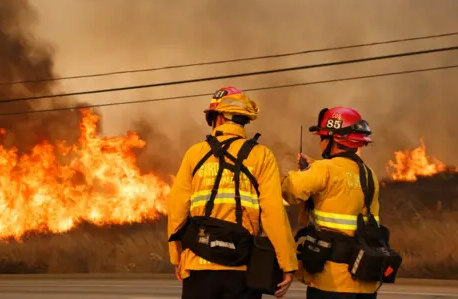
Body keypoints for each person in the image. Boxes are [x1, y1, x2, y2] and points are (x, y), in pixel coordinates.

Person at [167, 87, 298, 299]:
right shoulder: (261, 156)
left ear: (218, 118)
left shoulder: (195, 154)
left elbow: (176, 209)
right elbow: (273, 213)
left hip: (198, 264)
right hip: (242, 267)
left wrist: (177, 256)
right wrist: (287, 263)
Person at [282, 106, 395, 299]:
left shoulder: (324, 169)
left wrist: (305, 172)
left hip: (331, 281)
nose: (321, 143)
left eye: (322, 138)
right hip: (364, 279)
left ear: (333, 139)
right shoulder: (369, 174)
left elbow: (289, 192)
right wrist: (313, 169)